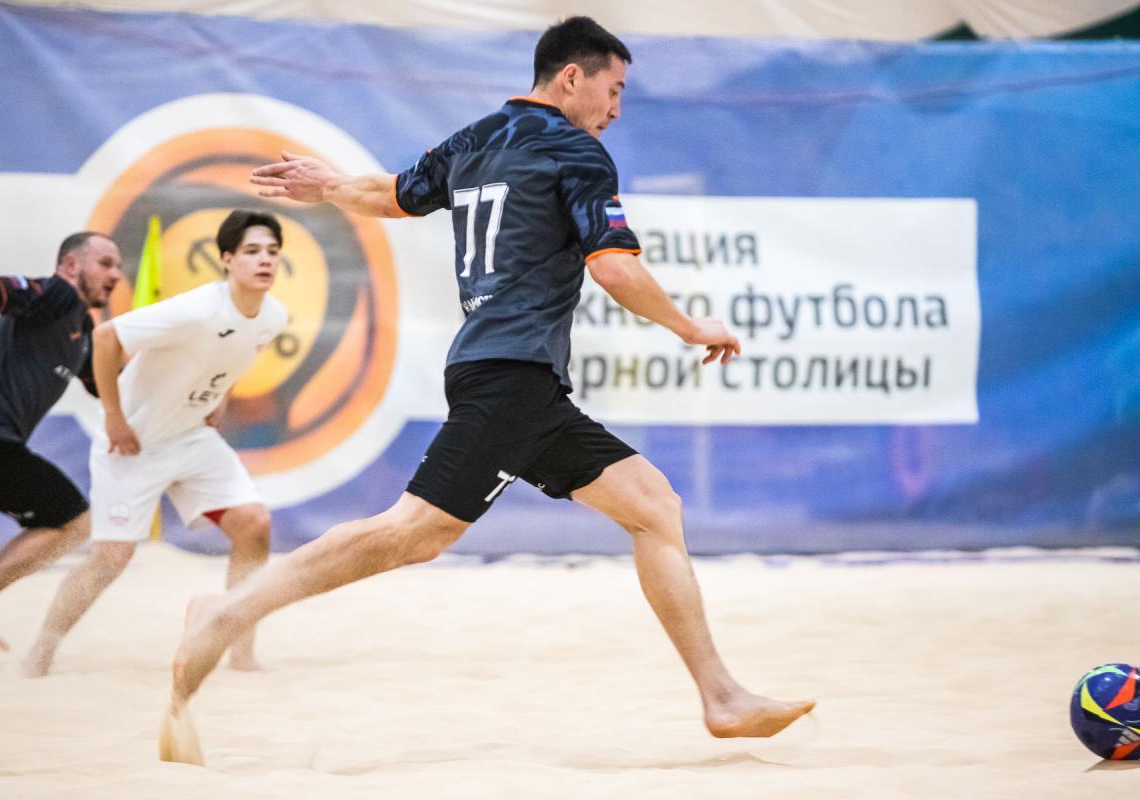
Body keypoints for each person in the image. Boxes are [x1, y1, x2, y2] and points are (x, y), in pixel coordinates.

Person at [165, 17, 813, 755]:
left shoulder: (476, 139)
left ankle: (720, 696)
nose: (616, 108)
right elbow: (614, 267)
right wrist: (690, 326)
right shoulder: (577, 151)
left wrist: (333, 186)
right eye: (613, 89)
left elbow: (395, 195)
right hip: (513, 375)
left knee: (653, 506)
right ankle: (226, 613)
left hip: (514, 377)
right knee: (412, 533)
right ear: (572, 77)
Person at [20, 210, 287, 677]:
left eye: (272, 252)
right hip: (133, 444)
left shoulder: (273, 315)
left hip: (192, 437)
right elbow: (106, 337)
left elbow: (232, 355)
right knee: (111, 558)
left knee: (254, 524)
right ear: (227, 259)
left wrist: (219, 398)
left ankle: (241, 652)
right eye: (251, 251)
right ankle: (42, 649)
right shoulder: (197, 309)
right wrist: (114, 417)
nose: (264, 260)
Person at [0, 232, 124, 651]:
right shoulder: (53, 295)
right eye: (105, 263)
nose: (116, 274)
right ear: (71, 266)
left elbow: (100, 387)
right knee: (73, 521)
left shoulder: (83, 327)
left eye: (118, 266)